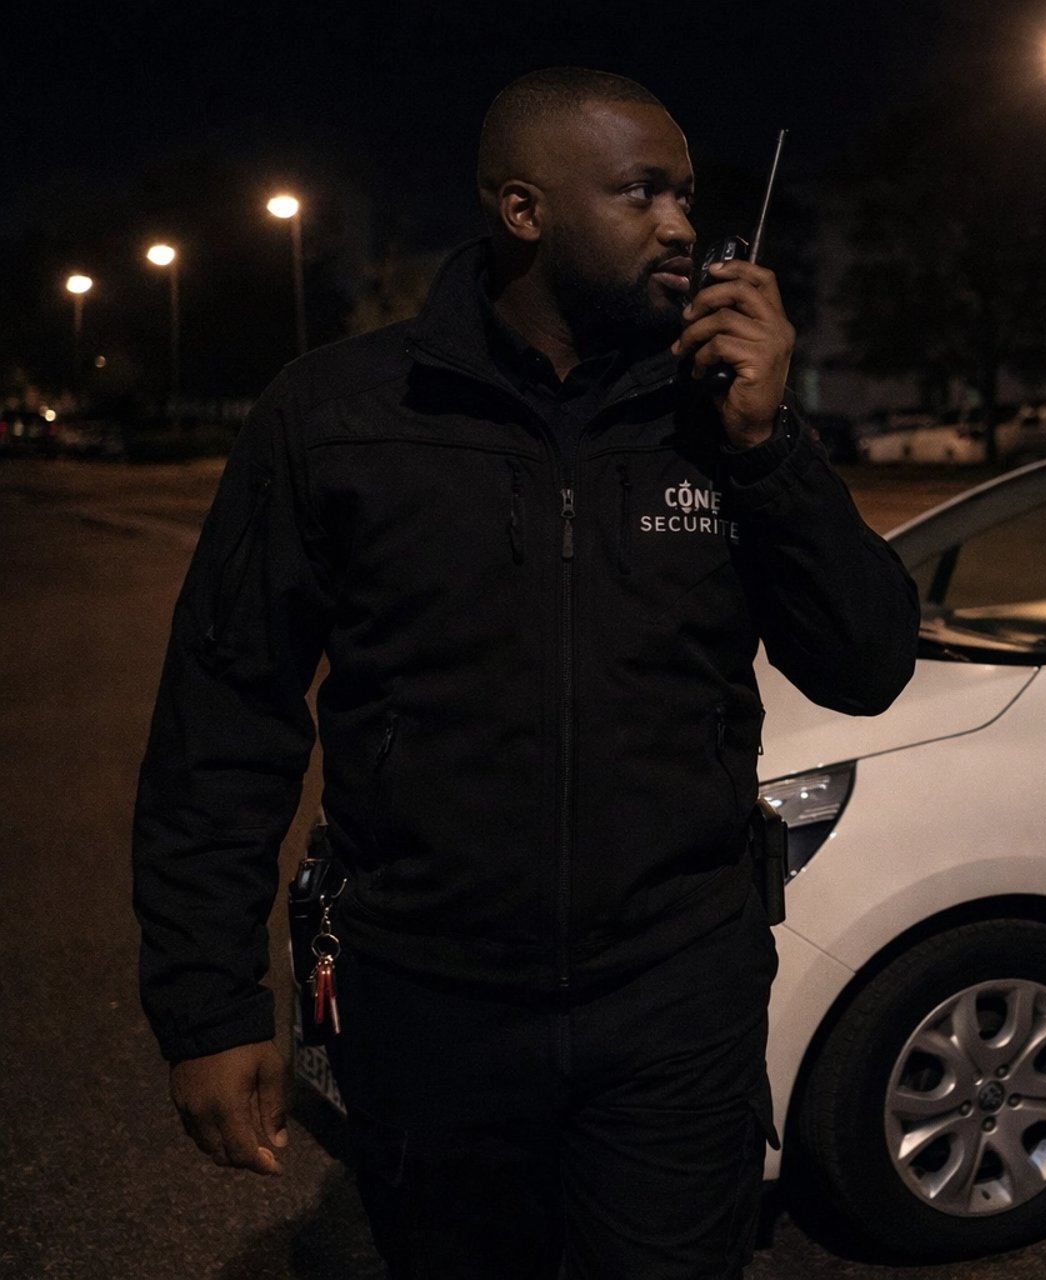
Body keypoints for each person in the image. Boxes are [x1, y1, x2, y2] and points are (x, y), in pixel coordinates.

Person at [131, 67, 919, 1278]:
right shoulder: (340, 414)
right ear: (522, 210)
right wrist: (211, 1004)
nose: (680, 225)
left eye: (689, 197)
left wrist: (769, 453)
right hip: (430, 1007)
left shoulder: (719, 416)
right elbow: (225, 715)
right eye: (641, 191)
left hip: (676, 1003)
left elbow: (868, 663)